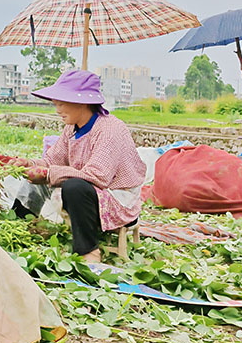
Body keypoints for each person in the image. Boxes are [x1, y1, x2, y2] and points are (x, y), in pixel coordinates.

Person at [9, 70, 146, 263]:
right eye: (56, 103)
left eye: (61, 103)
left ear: (81, 102)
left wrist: (48, 173)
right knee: (34, 180)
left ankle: (89, 252)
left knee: (74, 187)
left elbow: (98, 176)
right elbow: (52, 160)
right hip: (91, 191)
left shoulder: (109, 130)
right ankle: (16, 228)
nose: (57, 109)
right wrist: (30, 165)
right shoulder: (71, 129)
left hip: (117, 197)